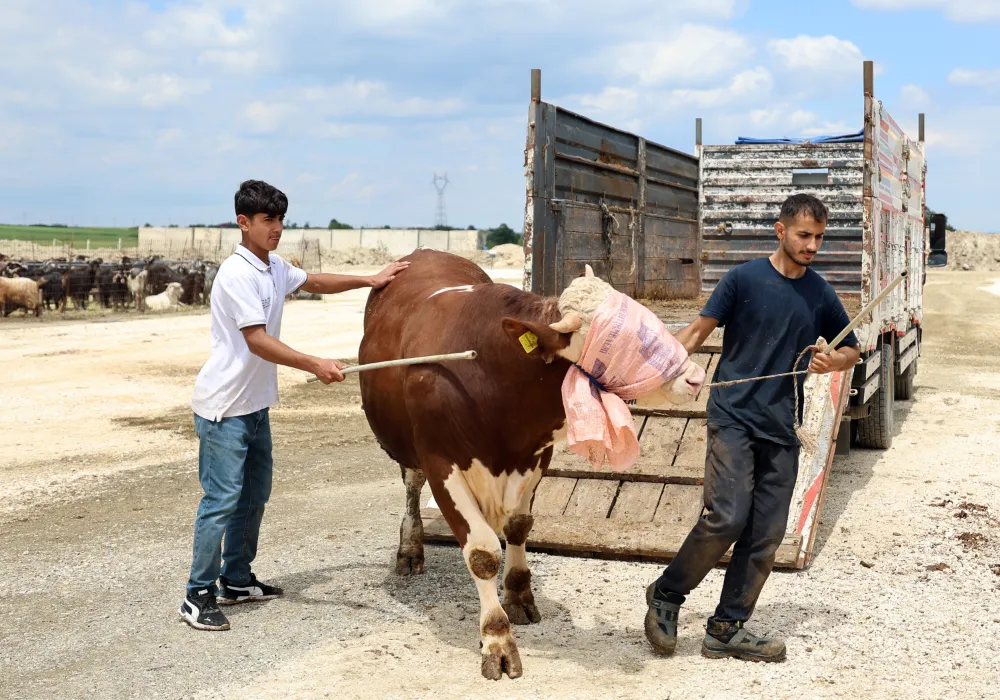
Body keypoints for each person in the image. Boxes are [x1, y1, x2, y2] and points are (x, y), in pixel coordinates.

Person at [179, 179, 409, 631]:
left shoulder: (272, 267)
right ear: (243, 223)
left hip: (255, 404)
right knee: (222, 499)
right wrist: (314, 363)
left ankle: (237, 580)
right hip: (224, 407)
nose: (277, 228)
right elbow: (257, 341)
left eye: (281, 220)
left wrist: (370, 278)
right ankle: (197, 594)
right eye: (268, 220)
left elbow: (314, 280)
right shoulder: (237, 274)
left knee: (254, 496)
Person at [644, 193, 860, 661]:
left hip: (782, 425)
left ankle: (726, 627)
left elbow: (852, 351)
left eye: (819, 237)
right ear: (780, 231)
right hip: (733, 416)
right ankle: (666, 594)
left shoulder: (820, 293)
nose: (813, 246)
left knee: (766, 533)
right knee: (727, 516)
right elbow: (698, 331)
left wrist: (830, 362)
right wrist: (656, 366)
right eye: (804, 235)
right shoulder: (743, 278)